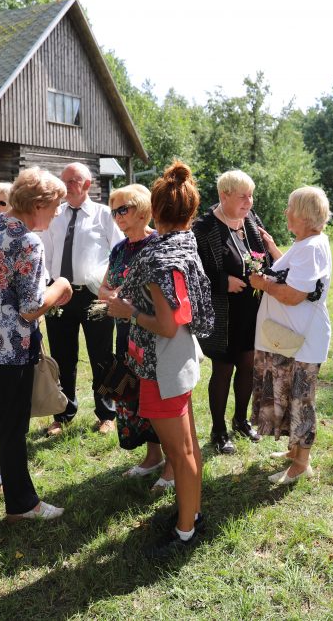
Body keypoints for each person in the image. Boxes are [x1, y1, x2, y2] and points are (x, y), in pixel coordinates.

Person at [106, 161, 214, 557]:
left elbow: (166, 325)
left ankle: (186, 530)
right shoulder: (186, 242)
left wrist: (127, 311)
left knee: (180, 452)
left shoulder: (155, 257)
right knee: (189, 446)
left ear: (155, 210)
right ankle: (193, 513)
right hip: (181, 357)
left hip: (162, 364)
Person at [0, 167, 72, 521]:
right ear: (38, 204)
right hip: (7, 349)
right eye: (55, 206)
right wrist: (61, 287)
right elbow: (32, 308)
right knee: (13, 425)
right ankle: (22, 504)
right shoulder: (27, 241)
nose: (56, 213)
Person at [249, 186, 332, 484]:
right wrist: (273, 249)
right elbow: (296, 272)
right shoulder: (307, 243)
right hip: (294, 338)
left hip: (304, 340)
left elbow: (296, 293)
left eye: (290, 208)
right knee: (293, 395)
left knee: (302, 400)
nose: (286, 213)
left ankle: (301, 464)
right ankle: (294, 453)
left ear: (304, 214)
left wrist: (263, 284)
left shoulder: (311, 247)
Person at [98, 184, 174, 490]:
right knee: (133, 396)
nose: (117, 216)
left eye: (123, 209)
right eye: (113, 210)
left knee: (159, 398)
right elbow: (104, 287)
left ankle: (172, 463)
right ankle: (152, 455)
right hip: (127, 332)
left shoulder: (158, 244)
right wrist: (111, 296)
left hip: (155, 332)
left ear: (142, 210)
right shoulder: (119, 248)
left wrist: (126, 301)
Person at [41, 163, 124, 436]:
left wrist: (110, 287)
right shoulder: (55, 214)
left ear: (87, 184)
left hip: (94, 294)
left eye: (72, 181)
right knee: (62, 355)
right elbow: (48, 254)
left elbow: (118, 253)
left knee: (101, 354)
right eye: (63, 180)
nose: (66, 186)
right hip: (59, 292)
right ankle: (63, 412)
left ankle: (106, 413)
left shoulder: (103, 214)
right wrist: (48, 287)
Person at [191, 170, 266, 455]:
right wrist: (223, 282)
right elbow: (195, 272)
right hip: (222, 314)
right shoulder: (205, 227)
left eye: (251, 195)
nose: (249, 201)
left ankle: (241, 420)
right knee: (223, 369)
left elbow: (263, 255)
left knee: (248, 365)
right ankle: (218, 430)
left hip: (251, 309)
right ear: (224, 196)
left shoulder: (251, 220)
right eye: (243, 196)